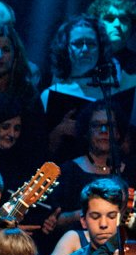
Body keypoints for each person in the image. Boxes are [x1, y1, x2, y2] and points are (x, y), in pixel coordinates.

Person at [46, 100, 136, 236]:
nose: (103, 131)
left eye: (110, 126)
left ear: (118, 133)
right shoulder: (68, 171)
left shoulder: (131, 171)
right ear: (86, 132)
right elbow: (54, 222)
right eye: (97, 125)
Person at [41, 15, 114, 159]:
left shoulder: (111, 92)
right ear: (65, 48)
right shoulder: (50, 94)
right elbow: (39, 149)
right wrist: (60, 131)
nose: (85, 49)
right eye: (78, 43)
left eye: (91, 44)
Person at [85, 0, 136, 89]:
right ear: (96, 24)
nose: (117, 24)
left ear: (132, 26)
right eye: (109, 19)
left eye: (123, 19)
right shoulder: (83, 62)